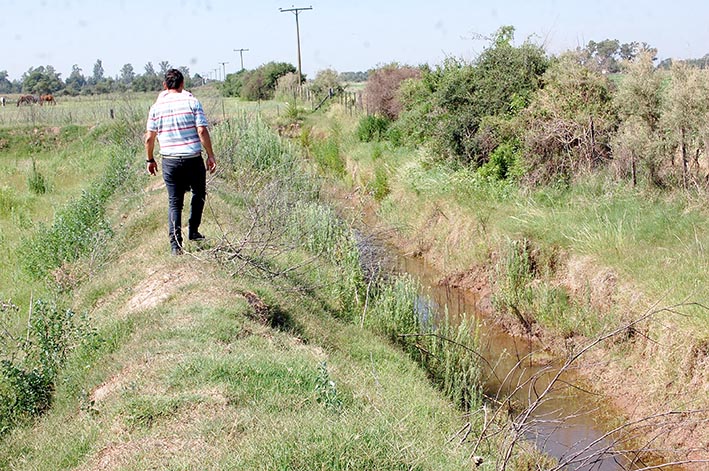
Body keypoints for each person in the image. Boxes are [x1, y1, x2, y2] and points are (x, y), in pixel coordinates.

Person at [145, 69, 217, 255]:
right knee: (199, 193)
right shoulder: (192, 102)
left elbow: (149, 138)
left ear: (165, 85)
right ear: (182, 83)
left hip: (170, 160)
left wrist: (150, 159)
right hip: (193, 158)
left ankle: (176, 245)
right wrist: (210, 155)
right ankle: (193, 230)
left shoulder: (156, 107)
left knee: (175, 202)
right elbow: (201, 131)